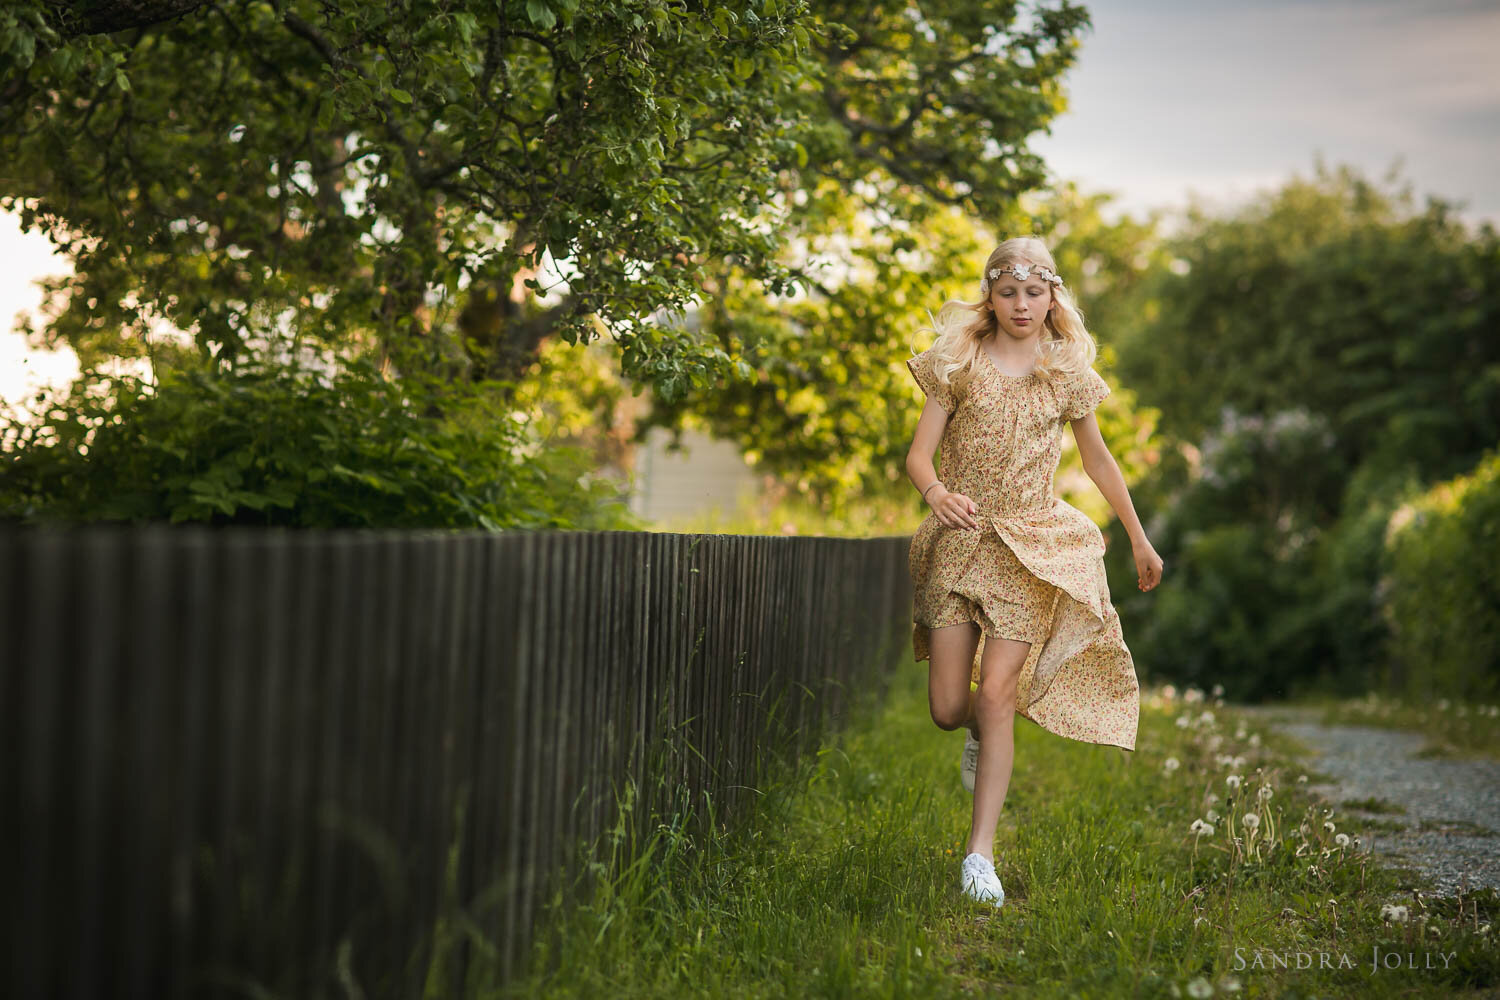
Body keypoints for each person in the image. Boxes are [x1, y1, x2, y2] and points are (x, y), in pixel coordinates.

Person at [903, 236, 1163, 907]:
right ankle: (977, 735)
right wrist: (937, 494)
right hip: (961, 542)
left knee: (997, 697)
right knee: (949, 708)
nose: (1022, 304)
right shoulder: (956, 364)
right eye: (1008, 290)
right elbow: (919, 457)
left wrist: (1137, 538)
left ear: (1053, 297)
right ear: (990, 295)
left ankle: (978, 858)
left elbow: (1100, 461)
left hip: (1034, 548)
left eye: (1034, 291)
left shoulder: (1065, 375)